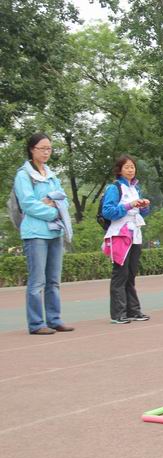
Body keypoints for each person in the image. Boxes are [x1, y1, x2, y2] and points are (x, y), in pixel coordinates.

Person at [14, 133, 74, 335]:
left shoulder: (51, 174)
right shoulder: (24, 175)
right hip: (35, 233)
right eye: (42, 148)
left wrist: (55, 204)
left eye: (49, 148)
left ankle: (54, 319)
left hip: (55, 231)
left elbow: (63, 199)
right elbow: (28, 204)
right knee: (37, 281)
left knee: (53, 280)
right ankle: (36, 323)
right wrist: (53, 211)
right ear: (32, 149)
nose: (47, 152)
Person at [102, 155, 151, 324]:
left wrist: (144, 206)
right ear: (120, 170)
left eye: (132, 167)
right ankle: (118, 313)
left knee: (131, 273)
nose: (130, 170)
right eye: (127, 167)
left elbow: (142, 213)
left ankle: (133, 310)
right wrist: (129, 205)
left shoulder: (135, 188)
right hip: (120, 233)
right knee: (120, 273)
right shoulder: (115, 188)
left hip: (135, 233)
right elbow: (107, 211)